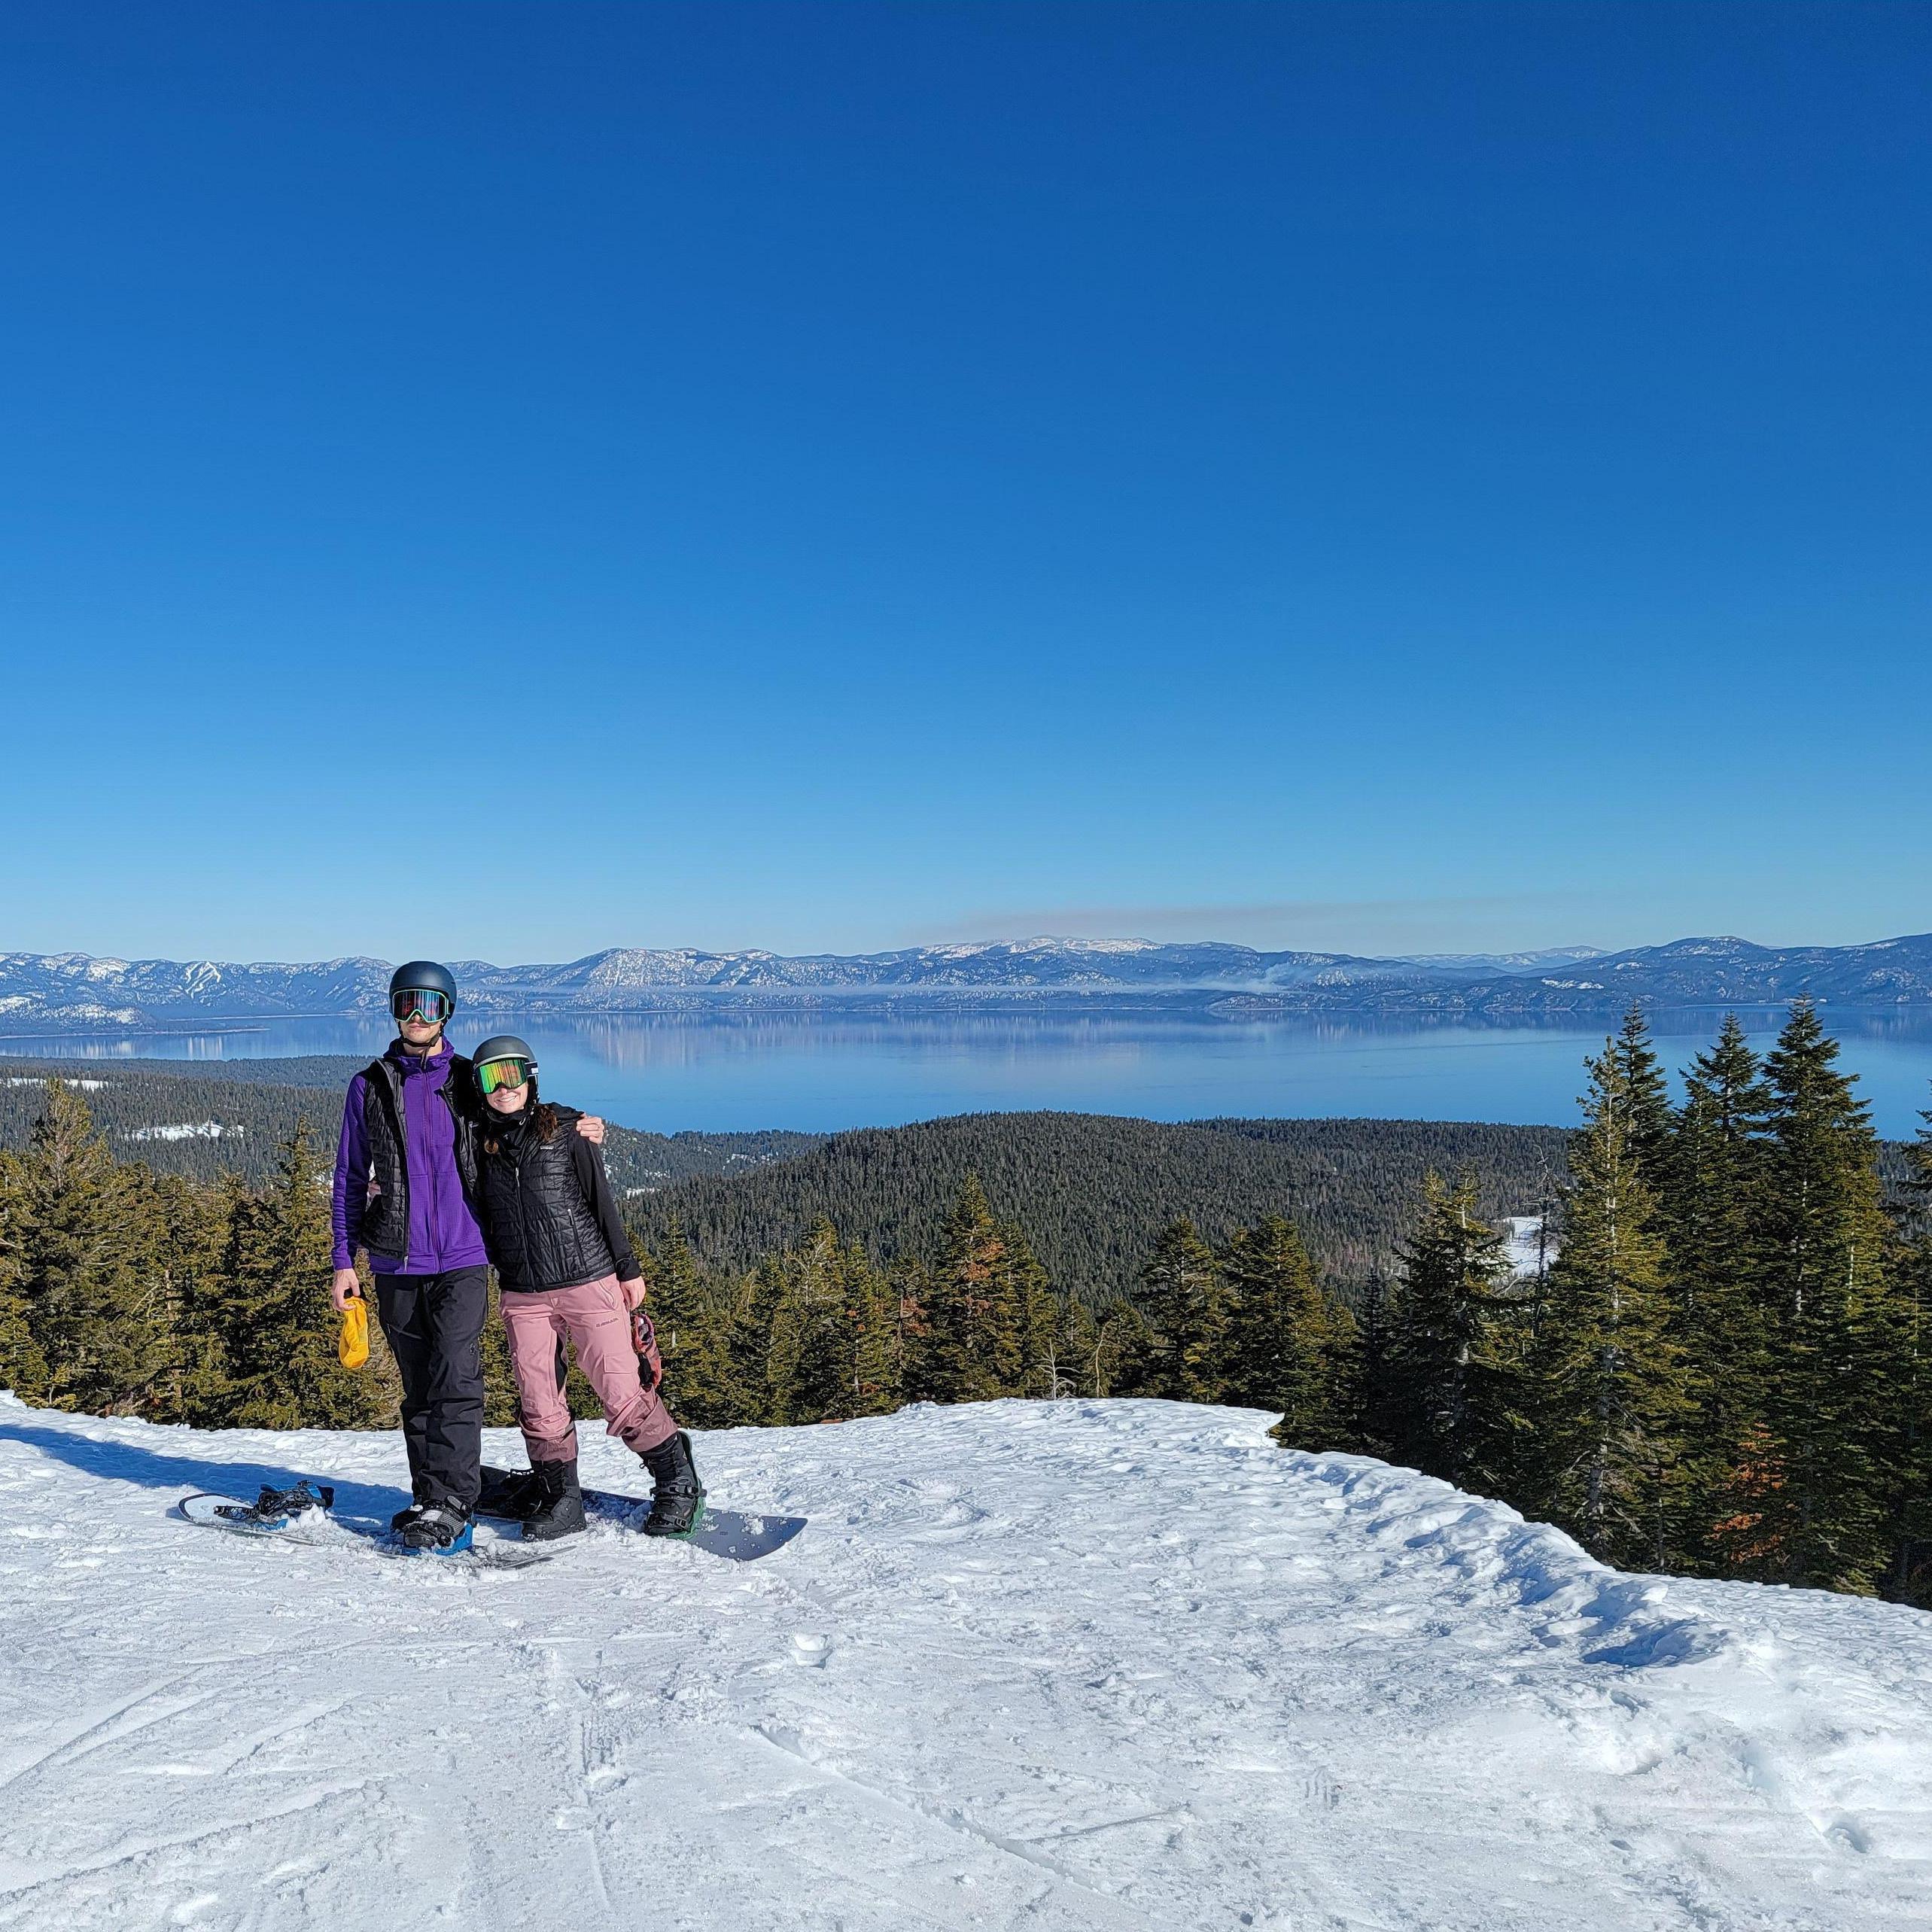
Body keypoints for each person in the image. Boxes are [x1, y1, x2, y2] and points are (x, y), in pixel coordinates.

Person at [329, 962, 603, 1553]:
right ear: (393, 1008)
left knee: (456, 1379)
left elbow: (517, 1108)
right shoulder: (369, 1085)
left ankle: (454, 1502)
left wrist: (576, 1121)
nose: (417, 1016)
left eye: (429, 1004)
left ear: (447, 1011)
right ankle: (429, 1493)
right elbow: (349, 1176)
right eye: (407, 1003)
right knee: (418, 1387)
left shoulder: (461, 1079)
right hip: (396, 1260)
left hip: (462, 1255)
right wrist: (342, 1259)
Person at [467, 1033, 704, 1541]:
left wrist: (627, 1267)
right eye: (491, 1076)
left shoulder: (567, 1128)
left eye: (512, 1073)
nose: (504, 1086)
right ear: (479, 1086)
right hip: (523, 1292)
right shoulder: (476, 1144)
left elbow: (602, 1201)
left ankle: (677, 1481)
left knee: (620, 1391)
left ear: (530, 1075)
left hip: (587, 1278)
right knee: (538, 1400)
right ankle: (561, 1500)